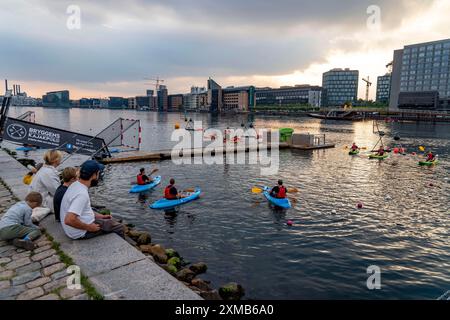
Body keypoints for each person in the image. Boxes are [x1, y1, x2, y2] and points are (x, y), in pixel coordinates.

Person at [60, 160, 124, 240]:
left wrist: (101, 216)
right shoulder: (81, 194)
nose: (99, 176)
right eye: (98, 174)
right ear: (94, 175)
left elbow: (83, 210)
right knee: (119, 227)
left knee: (110, 219)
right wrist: (89, 228)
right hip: (80, 232)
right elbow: (69, 220)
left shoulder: (75, 185)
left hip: (72, 229)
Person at [29, 150, 62, 218]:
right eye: (60, 158)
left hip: (36, 197)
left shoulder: (44, 169)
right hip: (41, 201)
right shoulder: (49, 173)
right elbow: (57, 192)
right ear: (56, 160)